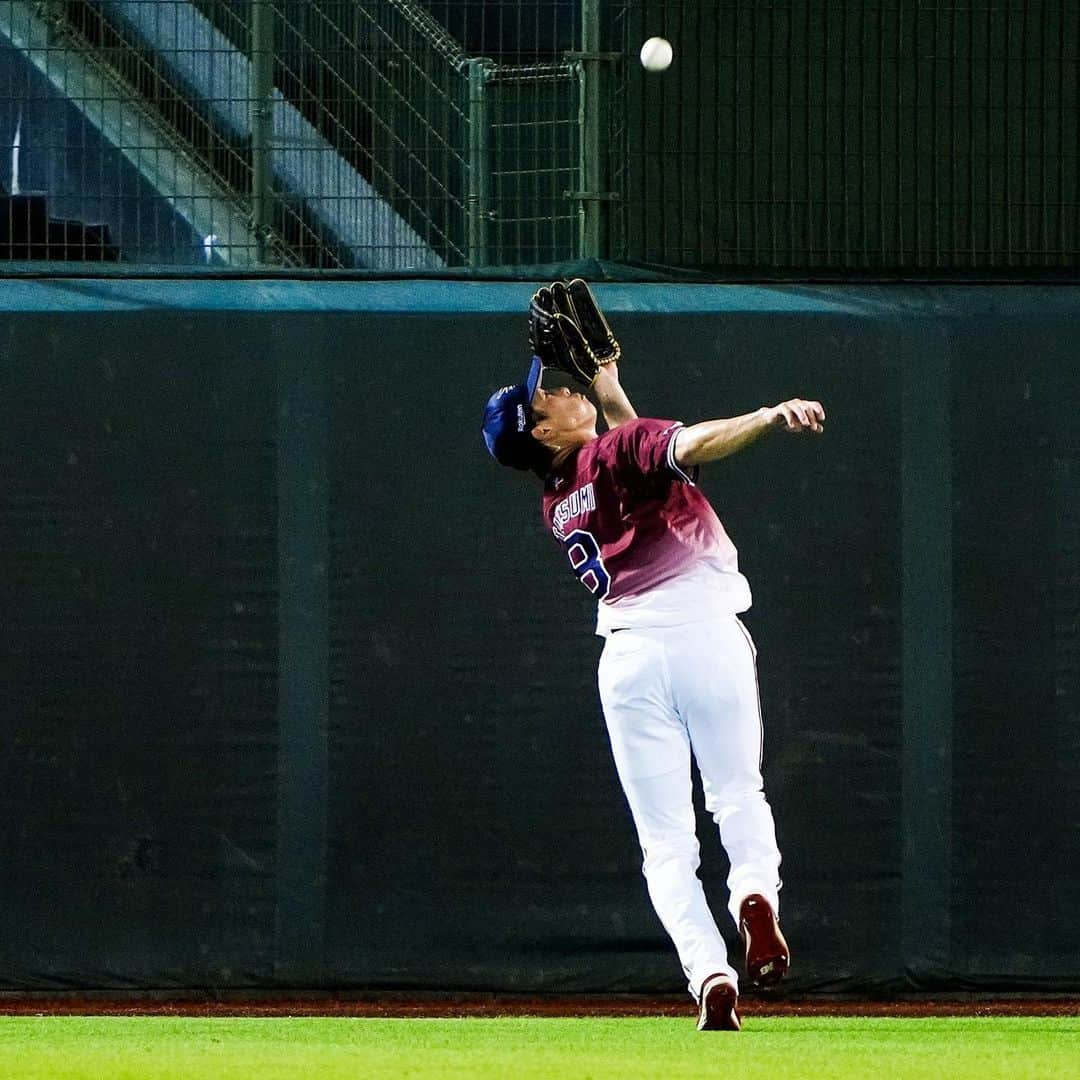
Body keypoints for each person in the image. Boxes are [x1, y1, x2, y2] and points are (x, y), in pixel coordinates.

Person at [482, 305, 825, 1031]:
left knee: (665, 842)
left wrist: (607, 382)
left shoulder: (556, 502)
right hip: (706, 636)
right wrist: (767, 416)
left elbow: (642, 462)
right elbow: (683, 445)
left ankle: (708, 974)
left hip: (630, 662)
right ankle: (754, 897)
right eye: (551, 397)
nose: (563, 391)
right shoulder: (618, 451)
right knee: (737, 794)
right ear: (542, 431)